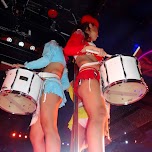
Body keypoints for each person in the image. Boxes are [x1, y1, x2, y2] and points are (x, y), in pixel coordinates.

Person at [13, 40, 70, 152]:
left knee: (48, 128)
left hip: (49, 86)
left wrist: (25, 66)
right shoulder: (62, 62)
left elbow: (45, 60)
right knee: (35, 136)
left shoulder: (52, 44)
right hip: (50, 87)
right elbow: (66, 84)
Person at [64, 14, 109, 152]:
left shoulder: (90, 45)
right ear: (89, 26)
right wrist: (94, 50)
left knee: (101, 115)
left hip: (92, 78)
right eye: (97, 30)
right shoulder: (79, 34)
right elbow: (68, 49)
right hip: (87, 76)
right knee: (99, 115)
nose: (98, 35)